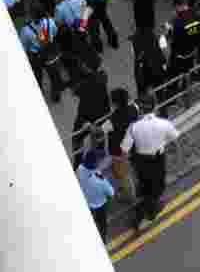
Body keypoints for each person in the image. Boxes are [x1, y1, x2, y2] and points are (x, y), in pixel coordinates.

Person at [120, 97, 180, 231]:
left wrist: (126, 168)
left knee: (145, 187)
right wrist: (177, 159)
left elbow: (124, 149)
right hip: (158, 160)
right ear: (155, 107)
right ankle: (144, 215)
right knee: (157, 188)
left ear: (141, 110)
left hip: (141, 162)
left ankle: (146, 209)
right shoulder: (164, 123)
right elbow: (176, 142)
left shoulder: (133, 127)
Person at [71, 55, 111, 167]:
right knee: (99, 136)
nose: (81, 65)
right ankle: (100, 154)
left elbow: (76, 92)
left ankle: (78, 161)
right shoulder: (102, 77)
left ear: (88, 67)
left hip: (85, 117)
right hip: (102, 114)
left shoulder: (84, 83)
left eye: (83, 64)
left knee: (77, 138)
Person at [18, 10, 65, 103]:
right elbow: (55, 32)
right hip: (50, 52)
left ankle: (39, 93)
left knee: (38, 75)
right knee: (54, 75)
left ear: (32, 17)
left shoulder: (25, 30)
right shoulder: (49, 21)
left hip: (36, 55)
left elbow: (24, 45)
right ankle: (56, 96)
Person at [102, 88, 139, 202]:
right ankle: (137, 188)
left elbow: (100, 130)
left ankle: (130, 197)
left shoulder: (113, 119)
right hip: (133, 146)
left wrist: (88, 127)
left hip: (118, 151)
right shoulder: (134, 109)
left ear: (115, 103)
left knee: (124, 176)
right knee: (133, 170)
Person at [76, 148, 114, 241]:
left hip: (87, 202)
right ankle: (103, 239)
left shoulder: (80, 169)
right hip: (99, 205)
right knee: (102, 224)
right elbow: (111, 193)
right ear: (96, 164)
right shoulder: (101, 181)